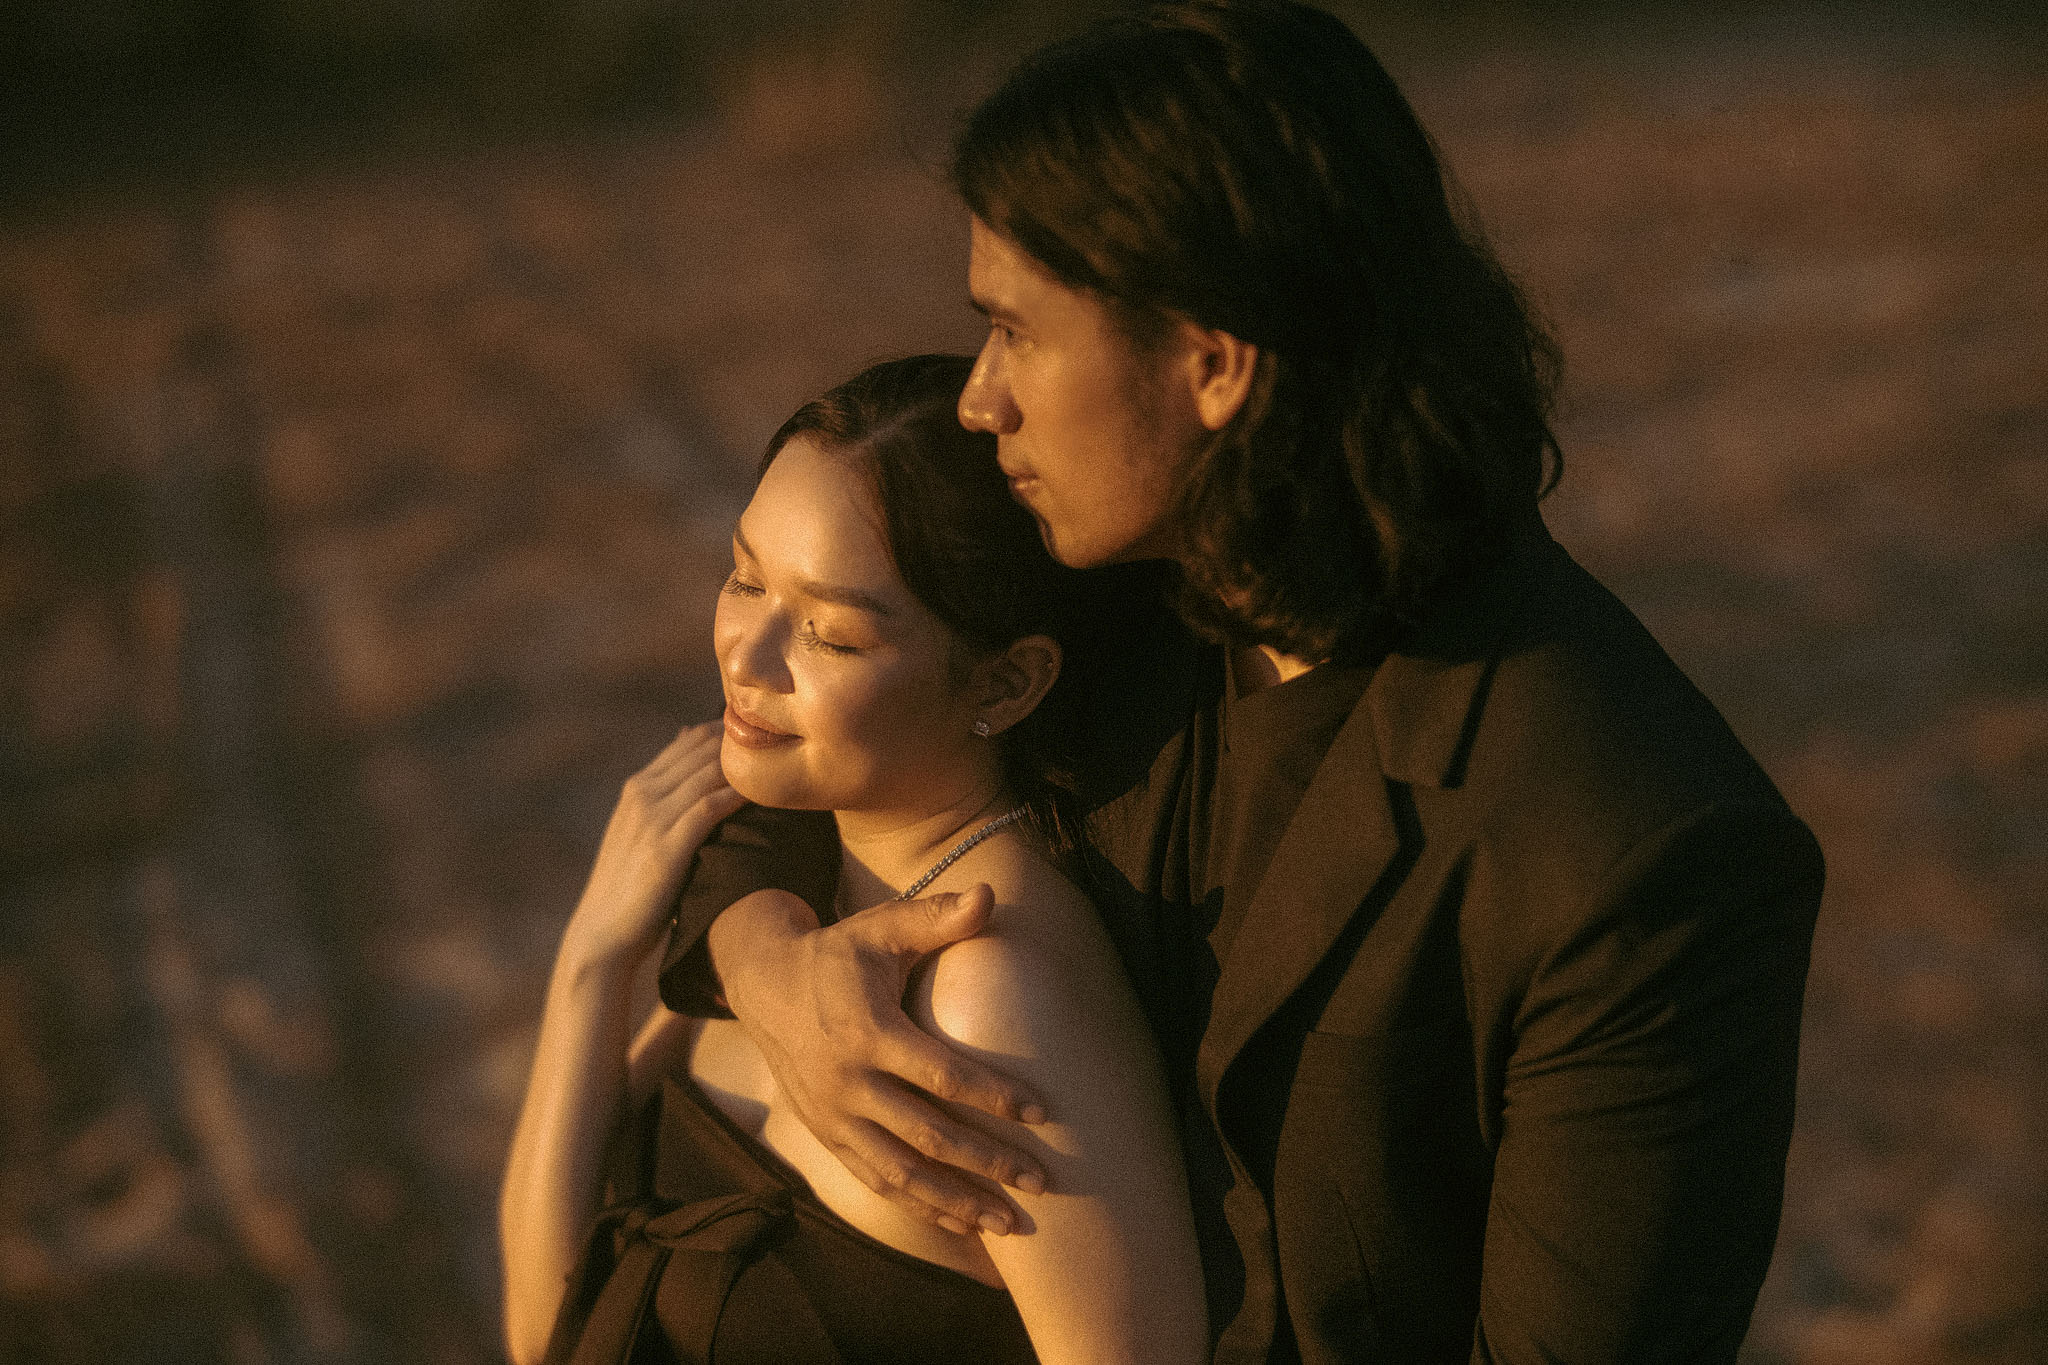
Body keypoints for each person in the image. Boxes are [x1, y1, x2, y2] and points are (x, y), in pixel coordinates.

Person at [661, 2, 1827, 1362]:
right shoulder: (1109, 583)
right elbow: (802, 738)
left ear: (1213, 363)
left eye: (1017, 332)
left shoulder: (1638, 850)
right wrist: (771, 966)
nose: (982, 400)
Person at [499, 355, 1208, 1365]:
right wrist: (591, 963)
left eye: (829, 636)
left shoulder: (991, 1000)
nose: (744, 657)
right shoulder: (781, 882)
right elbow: (549, 1331)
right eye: (744, 577)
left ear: (1004, 684)